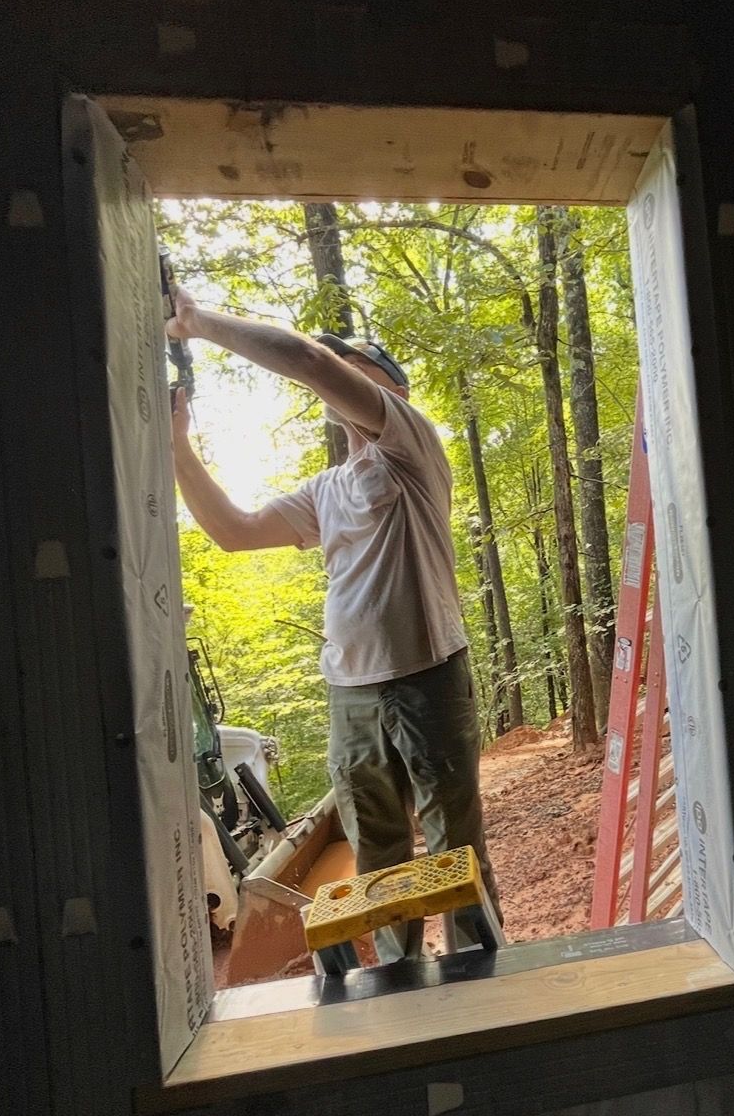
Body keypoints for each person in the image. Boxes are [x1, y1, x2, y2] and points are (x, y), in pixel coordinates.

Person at [165, 286, 501, 957]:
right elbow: (233, 530)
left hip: (428, 676)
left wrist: (197, 321)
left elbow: (309, 363)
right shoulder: (327, 489)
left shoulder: (410, 447)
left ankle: (480, 978)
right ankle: (402, 984)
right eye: (340, 366)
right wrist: (177, 446)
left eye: (357, 366)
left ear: (392, 392)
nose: (338, 371)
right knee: (377, 853)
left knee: (453, 847)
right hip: (350, 692)